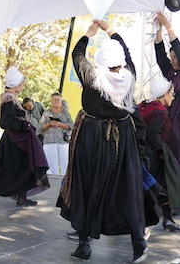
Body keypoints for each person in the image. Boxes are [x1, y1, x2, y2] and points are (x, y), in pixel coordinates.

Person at [58, 20, 148, 263]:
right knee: (127, 188)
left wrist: (89, 33)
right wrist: (111, 31)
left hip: (92, 137)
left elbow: (77, 53)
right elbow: (126, 51)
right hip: (123, 139)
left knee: (87, 187)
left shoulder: (91, 76)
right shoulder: (129, 75)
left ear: (101, 60)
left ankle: (84, 244)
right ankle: (138, 242)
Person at [0, 66, 50, 206]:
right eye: (22, 83)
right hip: (15, 141)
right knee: (17, 168)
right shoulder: (8, 99)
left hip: (17, 139)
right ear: (15, 85)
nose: (23, 86)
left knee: (23, 168)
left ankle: (22, 197)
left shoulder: (10, 98)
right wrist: (24, 125)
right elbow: (6, 120)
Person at [138, 76, 180, 233]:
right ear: (164, 94)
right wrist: (161, 152)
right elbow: (153, 134)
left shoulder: (146, 106)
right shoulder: (160, 112)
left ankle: (167, 219)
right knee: (158, 188)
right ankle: (143, 226)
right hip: (151, 157)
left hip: (142, 154)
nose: (173, 97)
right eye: (171, 94)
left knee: (164, 187)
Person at [154, 12, 180, 164]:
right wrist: (158, 29)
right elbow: (159, 54)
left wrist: (169, 27)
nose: (172, 61)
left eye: (175, 57)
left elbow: (178, 48)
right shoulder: (170, 72)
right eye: (171, 58)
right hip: (168, 123)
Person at [40, 93, 73, 176]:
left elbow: (71, 126)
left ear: (61, 101)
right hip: (49, 141)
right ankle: (53, 183)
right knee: (51, 164)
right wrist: (50, 124)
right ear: (51, 101)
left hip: (63, 141)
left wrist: (59, 124)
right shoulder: (46, 113)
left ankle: (65, 183)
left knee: (65, 163)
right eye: (55, 100)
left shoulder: (66, 113)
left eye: (58, 100)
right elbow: (40, 128)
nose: (57, 101)